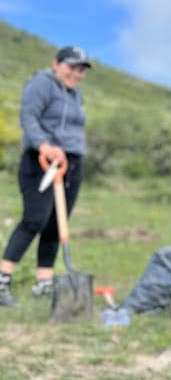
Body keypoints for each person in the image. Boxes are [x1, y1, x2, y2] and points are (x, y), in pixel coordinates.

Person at [0, 46, 92, 307]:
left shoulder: (76, 95)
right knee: (35, 219)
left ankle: (44, 283)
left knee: (56, 224)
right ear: (56, 64)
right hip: (40, 161)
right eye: (71, 67)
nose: (76, 73)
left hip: (71, 163)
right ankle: (2, 280)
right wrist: (43, 144)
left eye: (80, 69)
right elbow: (28, 117)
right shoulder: (42, 83)